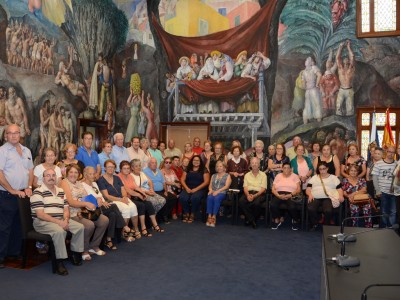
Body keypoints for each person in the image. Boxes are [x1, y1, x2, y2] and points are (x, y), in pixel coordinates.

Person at [30, 168, 84, 275]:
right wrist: (60, 223)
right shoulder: (37, 192)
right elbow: (40, 215)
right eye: (48, 175)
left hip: (60, 219)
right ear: (43, 178)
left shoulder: (60, 191)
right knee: (60, 231)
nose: (51, 178)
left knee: (80, 227)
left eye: (53, 175)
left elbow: (66, 209)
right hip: (42, 222)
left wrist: (66, 219)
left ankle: (74, 254)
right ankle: (59, 262)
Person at [0, 124, 33, 269]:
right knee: (4, 227)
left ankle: (13, 252)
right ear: (5, 135)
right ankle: (1, 256)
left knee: (19, 225)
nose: (13, 135)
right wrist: (12, 190)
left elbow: (30, 170)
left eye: (16, 133)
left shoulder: (27, 150)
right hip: (7, 194)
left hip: (23, 195)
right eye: (10, 133)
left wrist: (30, 186)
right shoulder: (2, 151)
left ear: (20, 134)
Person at [60, 164, 109, 261]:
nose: (73, 174)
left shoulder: (79, 183)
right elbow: (70, 202)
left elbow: (88, 197)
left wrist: (98, 199)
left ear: (79, 174)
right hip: (71, 213)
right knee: (89, 225)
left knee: (104, 220)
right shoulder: (64, 183)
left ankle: (94, 246)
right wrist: (86, 203)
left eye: (76, 172)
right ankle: (84, 250)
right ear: (67, 173)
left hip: (83, 211)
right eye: (71, 172)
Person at [82, 166, 127, 250]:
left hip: (101, 206)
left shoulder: (95, 183)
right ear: (85, 175)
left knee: (113, 214)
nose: (93, 176)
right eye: (90, 174)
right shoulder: (82, 185)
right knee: (113, 206)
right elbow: (87, 199)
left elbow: (100, 195)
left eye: (94, 173)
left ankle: (108, 240)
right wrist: (100, 201)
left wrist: (103, 201)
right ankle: (124, 226)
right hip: (93, 209)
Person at [97, 159, 139, 242]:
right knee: (126, 209)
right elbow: (106, 196)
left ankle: (136, 229)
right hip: (112, 201)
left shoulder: (117, 178)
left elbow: (123, 189)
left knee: (133, 207)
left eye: (112, 167)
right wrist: (120, 199)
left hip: (122, 198)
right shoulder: (101, 180)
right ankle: (125, 233)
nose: (111, 169)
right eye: (109, 167)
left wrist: (124, 197)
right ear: (105, 168)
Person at [129, 159, 166, 234]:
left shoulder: (142, 173)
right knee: (154, 202)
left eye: (139, 165)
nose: (138, 167)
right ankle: (152, 221)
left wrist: (152, 189)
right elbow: (136, 188)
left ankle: (151, 217)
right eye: (136, 166)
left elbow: (150, 181)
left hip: (149, 191)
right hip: (143, 194)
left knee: (163, 200)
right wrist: (147, 192)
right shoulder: (131, 176)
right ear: (132, 168)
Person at [306, 161, 344, 230]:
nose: (322, 171)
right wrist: (310, 194)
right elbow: (308, 189)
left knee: (328, 210)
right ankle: (315, 223)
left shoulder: (333, 178)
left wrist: (341, 196)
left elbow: (339, 189)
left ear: (327, 168)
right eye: (320, 169)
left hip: (328, 197)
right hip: (315, 197)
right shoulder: (314, 177)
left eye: (324, 168)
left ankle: (326, 225)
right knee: (310, 208)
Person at [143, 158, 177, 224]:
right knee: (165, 199)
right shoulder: (145, 171)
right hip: (153, 191)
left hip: (162, 190)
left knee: (173, 198)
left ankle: (164, 214)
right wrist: (151, 191)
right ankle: (162, 216)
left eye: (155, 162)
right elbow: (146, 183)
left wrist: (166, 191)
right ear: (149, 164)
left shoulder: (159, 170)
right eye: (153, 163)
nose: (155, 164)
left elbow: (163, 182)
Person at [372, 146, 397, 228]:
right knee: (384, 211)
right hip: (383, 192)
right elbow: (374, 177)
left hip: (394, 192)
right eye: (389, 151)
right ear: (386, 152)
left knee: (393, 211)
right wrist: (378, 190)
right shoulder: (379, 163)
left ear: (394, 153)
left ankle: (391, 228)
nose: (390, 154)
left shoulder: (397, 164)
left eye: (392, 152)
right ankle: (383, 228)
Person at [270, 162, 301, 230]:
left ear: (290, 169)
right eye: (284, 168)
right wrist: (278, 195)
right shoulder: (278, 176)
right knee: (272, 204)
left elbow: (299, 189)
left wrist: (291, 195)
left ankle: (295, 220)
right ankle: (277, 219)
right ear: (282, 169)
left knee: (292, 206)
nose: (286, 169)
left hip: (291, 194)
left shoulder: (295, 176)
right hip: (279, 194)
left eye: (288, 168)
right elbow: (273, 189)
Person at [180, 155, 210, 223]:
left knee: (194, 198)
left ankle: (193, 214)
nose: (196, 162)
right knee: (182, 197)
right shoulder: (187, 169)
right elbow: (182, 179)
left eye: (198, 160)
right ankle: (187, 213)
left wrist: (196, 189)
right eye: (194, 160)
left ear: (200, 162)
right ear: (192, 161)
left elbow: (206, 182)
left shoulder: (204, 169)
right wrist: (186, 188)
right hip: (188, 188)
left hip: (200, 189)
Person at [239, 157, 267, 229]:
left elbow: (263, 188)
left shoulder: (263, 175)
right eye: (253, 163)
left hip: (259, 193)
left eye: (256, 163)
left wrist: (254, 196)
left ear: (259, 165)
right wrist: (248, 195)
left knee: (257, 203)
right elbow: (245, 187)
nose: (254, 164)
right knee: (241, 201)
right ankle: (252, 220)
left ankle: (249, 219)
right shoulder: (247, 175)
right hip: (248, 192)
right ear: (250, 165)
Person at [205, 161, 231, 227]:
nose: (219, 168)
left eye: (220, 166)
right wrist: (210, 190)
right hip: (213, 191)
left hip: (222, 192)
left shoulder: (227, 176)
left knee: (217, 198)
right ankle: (209, 216)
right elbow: (210, 185)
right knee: (209, 197)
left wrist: (218, 191)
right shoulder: (213, 175)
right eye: (217, 166)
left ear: (224, 167)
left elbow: (226, 186)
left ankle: (214, 216)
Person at [336, 40, 355, 116]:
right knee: (338, 106)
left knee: (350, 108)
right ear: (343, 61)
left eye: (348, 59)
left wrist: (348, 47)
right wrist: (340, 47)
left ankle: (349, 119)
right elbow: (337, 58)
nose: (346, 59)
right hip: (341, 89)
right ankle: (338, 118)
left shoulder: (351, 68)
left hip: (349, 90)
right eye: (345, 59)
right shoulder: (340, 68)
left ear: (349, 62)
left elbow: (352, 56)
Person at [301, 57, 322, 124]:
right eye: (306, 60)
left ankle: (319, 119)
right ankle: (306, 119)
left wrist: (317, 84)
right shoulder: (304, 71)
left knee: (316, 103)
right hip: (308, 90)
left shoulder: (314, 68)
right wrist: (304, 87)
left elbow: (319, 75)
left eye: (307, 60)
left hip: (314, 89)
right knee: (307, 104)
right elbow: (303, 81)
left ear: (310, 62)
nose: (306, 61)